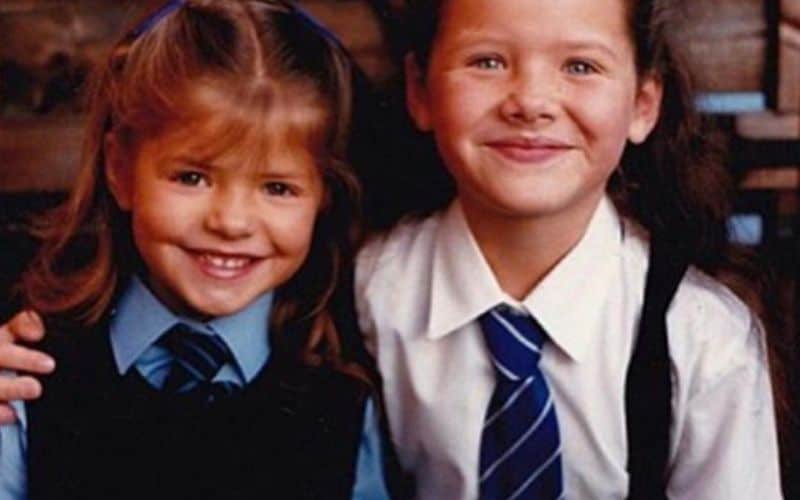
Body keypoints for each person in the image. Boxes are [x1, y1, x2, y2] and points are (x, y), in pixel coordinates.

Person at [0, 0, 790, 498]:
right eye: (487, 60)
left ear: (644, 102)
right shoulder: (357, 297)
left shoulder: (702, 339)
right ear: (419, 91)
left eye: (580, 65)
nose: (531, 100)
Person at [0, 1, 391, 499]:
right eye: (192, 177)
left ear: (323, 198)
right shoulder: (29, 374)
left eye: (277, 188)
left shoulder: (343, 405)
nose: (229, 222)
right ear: (120, 170)